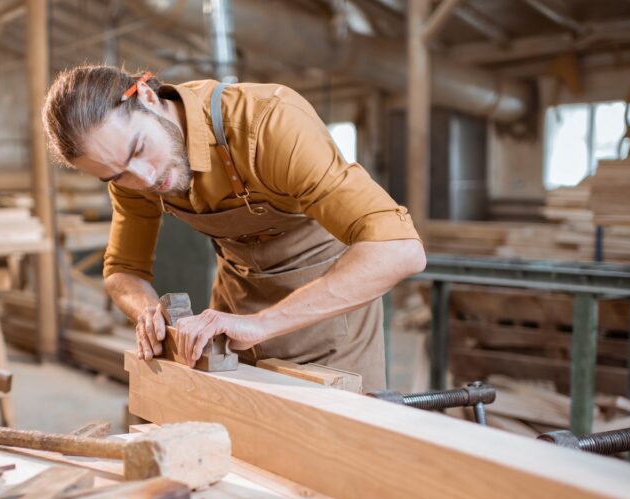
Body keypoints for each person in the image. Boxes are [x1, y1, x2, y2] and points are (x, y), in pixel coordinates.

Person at [42, 66, 425, 391]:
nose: (144, 178)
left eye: (140, 149)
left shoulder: (269, 122)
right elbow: (123, 269)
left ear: (147, 96)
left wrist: (263, 324)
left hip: (329, 323)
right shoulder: (130, 174)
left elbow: (400, 250)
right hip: (232, 317)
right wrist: (147, 313)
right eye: (116, 175)